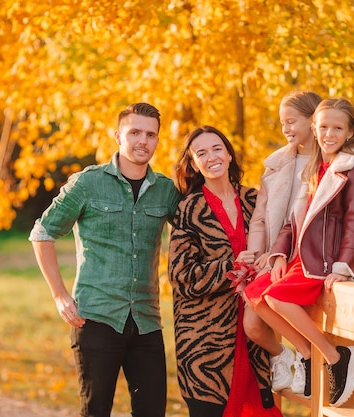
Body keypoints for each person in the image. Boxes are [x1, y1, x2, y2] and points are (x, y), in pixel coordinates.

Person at [29, 102, 180, 417]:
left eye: (150, 134)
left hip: (147, 320)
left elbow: (196, 231)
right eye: (135, 132)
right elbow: (43, 233)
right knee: (96, 410)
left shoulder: (166, 190)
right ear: (118, 136)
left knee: (153, 411)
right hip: (96, 318)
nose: (143, 141)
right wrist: (59, 295)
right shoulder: (88, 183)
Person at [243, 97, 354, 407]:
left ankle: (335, 357)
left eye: (337, 128)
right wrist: (278, 253)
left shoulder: (352, 171)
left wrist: (343, 266)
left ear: (350, 132)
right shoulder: (318, 169)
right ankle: (306, 354)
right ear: (315, 130)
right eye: (323, 127)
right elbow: (294, 221)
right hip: (304, 258)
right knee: (256, 294)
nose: (329, 134)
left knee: (278, 297)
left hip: (329, 263)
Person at [168, 126, 281, 417]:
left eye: (217, 149)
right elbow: (181, 276)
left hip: (255, 333)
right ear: (193, 164)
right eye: (201, 153)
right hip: (207, 344)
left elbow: (282, 241)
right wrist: (230, 267)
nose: (211, 157)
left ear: (229, 154)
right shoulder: (188, 209)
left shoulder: (254, 200)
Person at [244, 90, 322, 395]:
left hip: (305, 259)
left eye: (291, 121)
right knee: (252, 324)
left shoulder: (328, 163)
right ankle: (288, 356)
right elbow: (260, 218)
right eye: (281, 123)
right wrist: (256, 253)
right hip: (273, 256)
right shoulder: (276, 165)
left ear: (312, 120)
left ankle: (313, 357)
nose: (286, 129)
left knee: (283, 308)